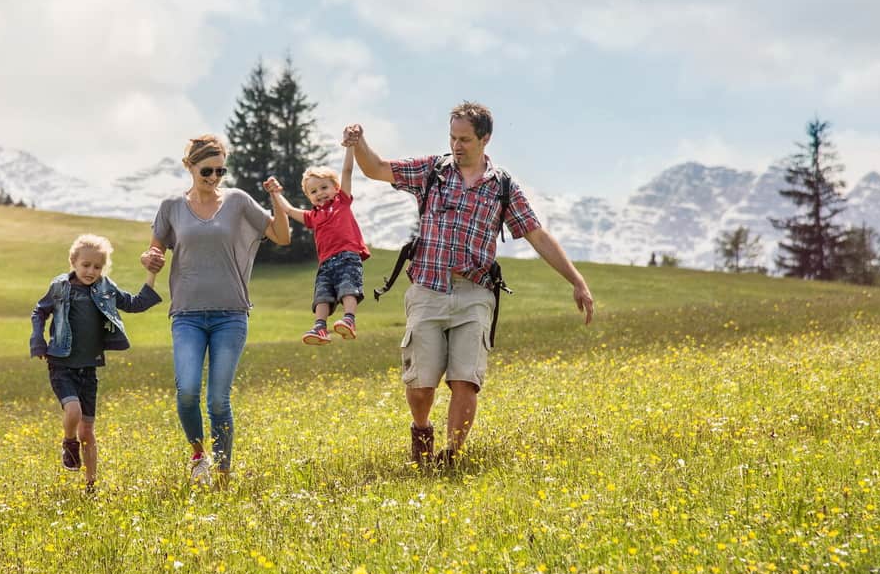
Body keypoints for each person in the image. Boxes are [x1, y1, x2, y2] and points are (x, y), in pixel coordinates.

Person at [343, 102, 595, 468]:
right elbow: (376, 169)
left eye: (464, 139)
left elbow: (536, 235)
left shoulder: (502, 186)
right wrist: (360, 142)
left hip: (474, 293)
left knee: (466, 380)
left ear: (485, 139)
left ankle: (450, 457)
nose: (456, 145)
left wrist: (577, 280)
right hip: (428, 287)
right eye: (452, 137)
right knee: (420, 384)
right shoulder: (432, 170)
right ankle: (422, 429)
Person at [140, 134, 291, 489]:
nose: (213, 177)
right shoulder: (171, 207)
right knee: (188, 390)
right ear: (189, 166)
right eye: (206, 170)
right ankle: (198, 456)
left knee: (218, 399)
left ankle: (222, 475)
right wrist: (149, 258)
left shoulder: (237, 201)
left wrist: (276, 198)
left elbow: (281, 236)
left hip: (231, 314)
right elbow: (154, 252)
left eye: (220, 170)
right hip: (187, 315)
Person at [29, 234, 163, 492]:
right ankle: (69, 443)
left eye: (97, 267)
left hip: (88, 368)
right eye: (86, 265)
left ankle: (91, 485)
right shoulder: (60, 286)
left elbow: (135, 304)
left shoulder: (106, 288)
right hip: (61, 363)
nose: (91, 271)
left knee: (88, 430)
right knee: (73, 412)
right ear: (73, 262)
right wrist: (38, 340)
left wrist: (151, 274)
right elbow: (40, 311)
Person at [265, 144, 370, 345]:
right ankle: (320, 327)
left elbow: (347, 170)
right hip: (325, 264)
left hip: (348, 256)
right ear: (309, 197)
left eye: (324, 188)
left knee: (348, 287)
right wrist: (275, 192)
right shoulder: (312, 217)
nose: (320, 193)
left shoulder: (342, 201)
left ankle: (349, 319)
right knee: (321, 296)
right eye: (313, 191)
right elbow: (287, 210)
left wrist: (350, 147)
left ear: (336, 188)